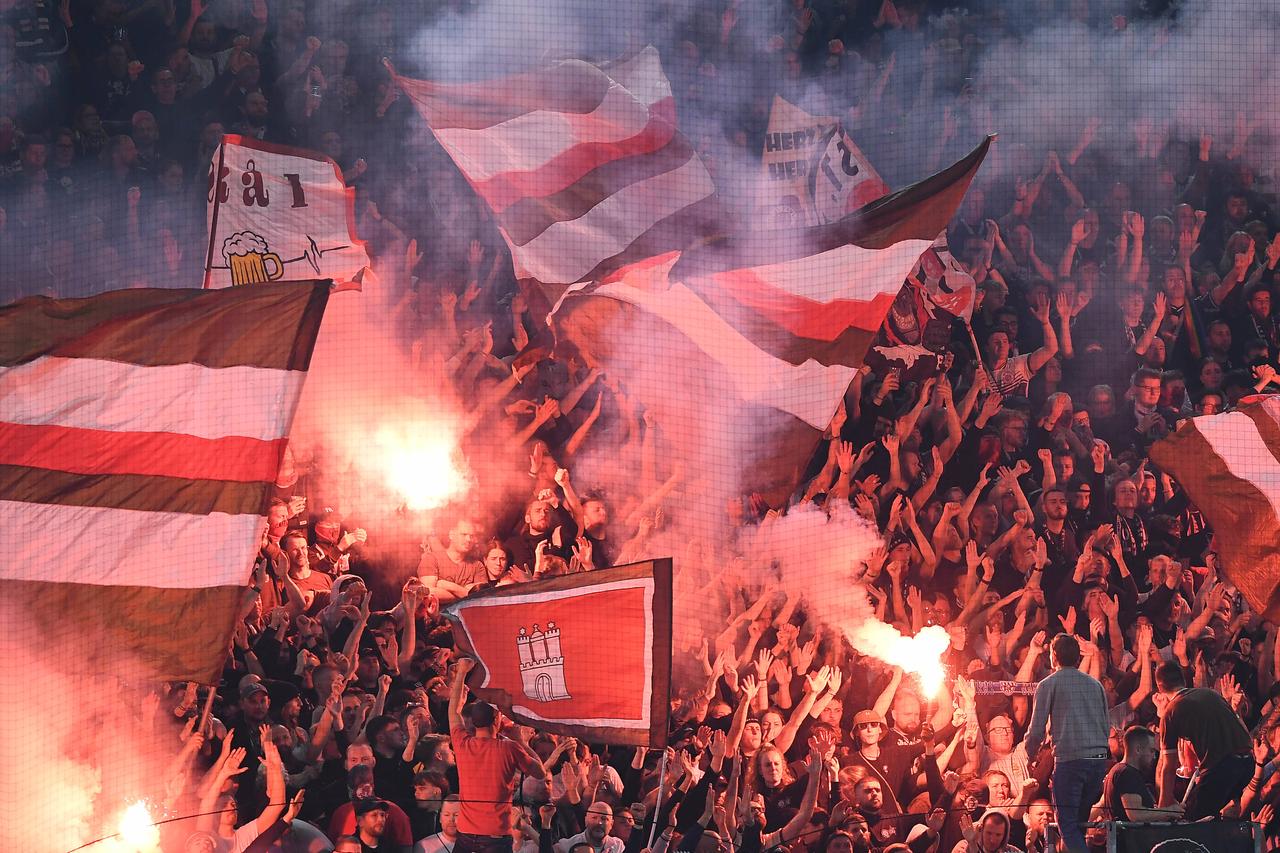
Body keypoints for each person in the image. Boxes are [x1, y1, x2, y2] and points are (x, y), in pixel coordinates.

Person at [449, 657, 550, 853]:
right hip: (496, 836)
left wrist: (461, 673)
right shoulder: (509, 748)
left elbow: (453, 712)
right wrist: (522, 742)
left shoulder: (462, 743)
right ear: (496, 720)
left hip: (465, 835)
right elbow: (540, 772)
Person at [1021, 633, 1110, 853]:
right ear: (1077, 657)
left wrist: (1030, 753)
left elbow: (1036, 731)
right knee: (1078, 822)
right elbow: (1105, 724)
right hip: (1098, 761)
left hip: (1071, 762)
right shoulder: (1095, 685)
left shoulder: (1048, 684)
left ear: (1054, 655)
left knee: (1067, 824)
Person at [1154, 661, 1253, 819]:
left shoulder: (1170, 712)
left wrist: (1164, 808)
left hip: (1223, 766)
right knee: (1213, 815)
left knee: (1192, 819)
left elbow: (1169, 765)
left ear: (1159, 688)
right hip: (1248, 764)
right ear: (1183, 680)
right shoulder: (1210, 694)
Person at [1102, 725, 1182, 823]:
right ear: (1138, 749)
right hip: (1130, 837)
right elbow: (1136, 815)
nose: (1154, 756)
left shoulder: (1118, 771)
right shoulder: (1127, 774)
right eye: (1151, 751)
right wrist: (1169, 811)